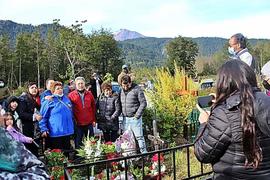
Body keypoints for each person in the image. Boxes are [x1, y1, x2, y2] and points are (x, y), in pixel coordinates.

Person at [194, 60, 270, 179]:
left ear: (223, 83)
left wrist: (204, 123)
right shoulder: (266, 100)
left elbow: (202, 154)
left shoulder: (225, 112)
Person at [39, 81, 74, 151]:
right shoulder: (49, 101)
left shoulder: (66, 99)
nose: (60, 90)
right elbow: (42, 116)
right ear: (53, 91)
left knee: (66, 152)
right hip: (56, 132)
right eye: (58, 88)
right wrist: (43, 129)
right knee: (57, 154)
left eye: (61, 88)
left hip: (67, 131)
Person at [120, 75, 147, 153]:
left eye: (127, 85)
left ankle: (144, 155)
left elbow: (143, 103)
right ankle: (129, 157)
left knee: (139, 138)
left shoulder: (137, 89)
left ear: (130, 83)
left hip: (135, 118)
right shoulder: (121, 90)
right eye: (123, 86)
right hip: (125, 118)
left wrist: (137, 115)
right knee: (126, 138)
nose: (125, 87)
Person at [68, 77, 96, 148]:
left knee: (91, 143)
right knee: (78, 144)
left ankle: (91, 157)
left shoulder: (89, 94)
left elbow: (93, 107)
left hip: (89, 123)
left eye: (82, 83)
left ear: (84, 84)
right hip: (78, 124)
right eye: (79, 84)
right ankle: (79, 158)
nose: (80, 85)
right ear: (75, 85)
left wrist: (94, 120)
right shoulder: (71, 95)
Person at [17, 82, 42, 156]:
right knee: (29, 152)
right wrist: (34, 116)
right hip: (27, 129)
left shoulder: (38, 99)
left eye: (35, 87)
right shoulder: (23, 99)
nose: (34, 89)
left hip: (36, 130)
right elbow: (21, 114)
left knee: (35, 151)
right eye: (32, 87)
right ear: (28, 89)